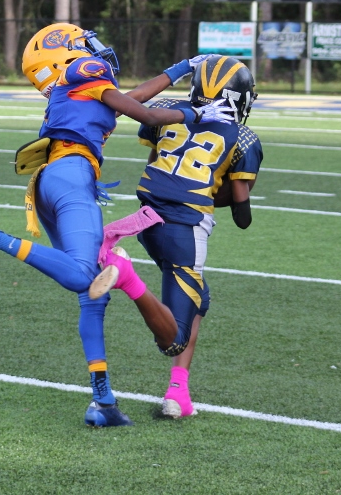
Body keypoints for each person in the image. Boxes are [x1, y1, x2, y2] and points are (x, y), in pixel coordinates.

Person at [0, 23, 230, 428]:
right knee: (83, 276)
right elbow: (145, 114)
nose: (94, 49)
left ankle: (103, 401)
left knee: (92, 294)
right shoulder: (83, 71)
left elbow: (130, 100)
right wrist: (195, 113)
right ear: (64, 52)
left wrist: (181, 67)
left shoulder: (75, 88)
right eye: (83, 43)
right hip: (72, 176)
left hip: (53, 180)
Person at [90, 55, 263, 419]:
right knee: (173, 340)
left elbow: (158, 165)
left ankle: (178, 394)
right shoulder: (244, 138)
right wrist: (230, 184)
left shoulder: (171, 110)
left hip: (147, 221)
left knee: (201, 299)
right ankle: (126, 276)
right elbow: (243, 216)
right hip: (184, 229)